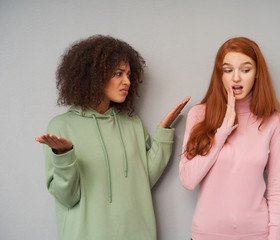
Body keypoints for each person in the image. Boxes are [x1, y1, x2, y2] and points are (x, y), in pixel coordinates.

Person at [35, 35, 190, 240]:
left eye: (128, 74)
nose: (127, 81)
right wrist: (64, 155)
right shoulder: (62, 125)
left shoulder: (131, 122)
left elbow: (144, 180)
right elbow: (67, 198)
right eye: (118, 73)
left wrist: (163, 131)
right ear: (94, 75)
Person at [179, 37, 280, 240]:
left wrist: (275, 236)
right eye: (228, 70)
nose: (236, 78)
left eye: (245, 70)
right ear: (220, 75)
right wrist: (223, 131)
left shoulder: (273, 121)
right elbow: (188, 179)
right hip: (206, 235)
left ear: (257, 75)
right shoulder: (199, 115)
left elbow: (277, 186)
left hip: (257, 235)